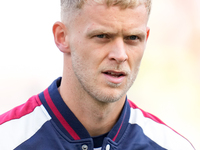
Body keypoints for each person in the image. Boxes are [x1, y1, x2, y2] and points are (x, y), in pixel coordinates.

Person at [0, 0, 195, 150]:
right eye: (102, 36)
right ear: (62, 37)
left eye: (133, 38)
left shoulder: (173, 146)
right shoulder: (7, 139)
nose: (120, 55)